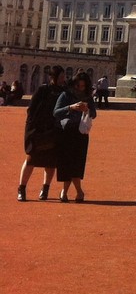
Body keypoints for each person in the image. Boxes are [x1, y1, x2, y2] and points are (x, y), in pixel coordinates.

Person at [17, 65, 65, 202]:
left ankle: (45, 189)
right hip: (38, 130)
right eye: (61, 77)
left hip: (54, 130)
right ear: (53, 77)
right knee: (31, 159)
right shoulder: (43, 90)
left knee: (50, 162)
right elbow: (31, 110)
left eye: (63, 77)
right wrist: (32, 130)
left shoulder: (63, 91)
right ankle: (22, 188)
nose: (63, 79)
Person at [53, 71, 96, 202]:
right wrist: (71, 107)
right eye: (78, 86)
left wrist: (87, 110)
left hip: (80, 133)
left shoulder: (88, 97)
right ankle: (77, 192)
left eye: (83, 86)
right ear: (74, 84)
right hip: (66, 132)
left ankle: (66, 192)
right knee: (66, 164)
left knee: (76, 164)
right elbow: (56, 112)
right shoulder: (65, 95)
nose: (80, 88)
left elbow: (94, 114)